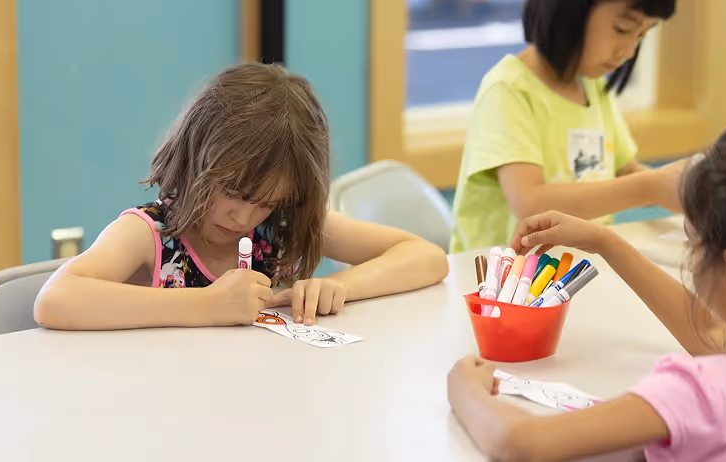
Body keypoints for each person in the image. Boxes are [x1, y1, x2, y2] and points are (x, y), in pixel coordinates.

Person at [447, 122, 726, 461]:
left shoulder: (700, 392)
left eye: (692, 243)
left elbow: (521, 442)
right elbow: (713, 337)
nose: (691, 259)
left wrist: (466, 389)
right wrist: (605, 241)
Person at [35, 63, 449, 330]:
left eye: (265, 202)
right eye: (233, 192)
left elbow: (426, 257)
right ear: (197, 157)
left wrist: (338, 284)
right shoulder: (151, 232)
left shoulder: (282, 222)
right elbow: (55, 300)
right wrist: (205, 307)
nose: (243, 216)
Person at [450, 0, 685, 253]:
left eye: (641, 35)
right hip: (502, 280)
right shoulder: (509, 89)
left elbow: (624, 170)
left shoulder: (591, 85)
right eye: (622, 29)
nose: (629, 50)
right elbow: (531, 204)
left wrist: (680, 188)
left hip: (575, 265)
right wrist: (649, 188)